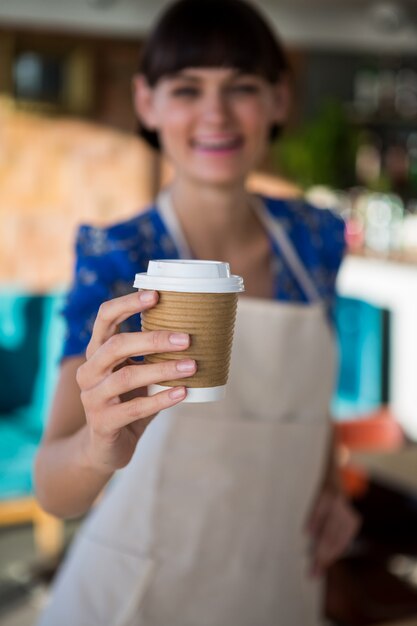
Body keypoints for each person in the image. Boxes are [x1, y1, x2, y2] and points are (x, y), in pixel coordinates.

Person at [35, 1, 360, 624]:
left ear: (280, 101)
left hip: (279, 581)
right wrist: (98, 447)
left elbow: (305, 404)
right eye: (187, 89)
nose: (216, 113)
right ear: (147, 103)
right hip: (142, 592)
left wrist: (332, 490)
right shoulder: (118, 256)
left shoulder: (315, 238)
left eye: (242, 87)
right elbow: (53, 489)